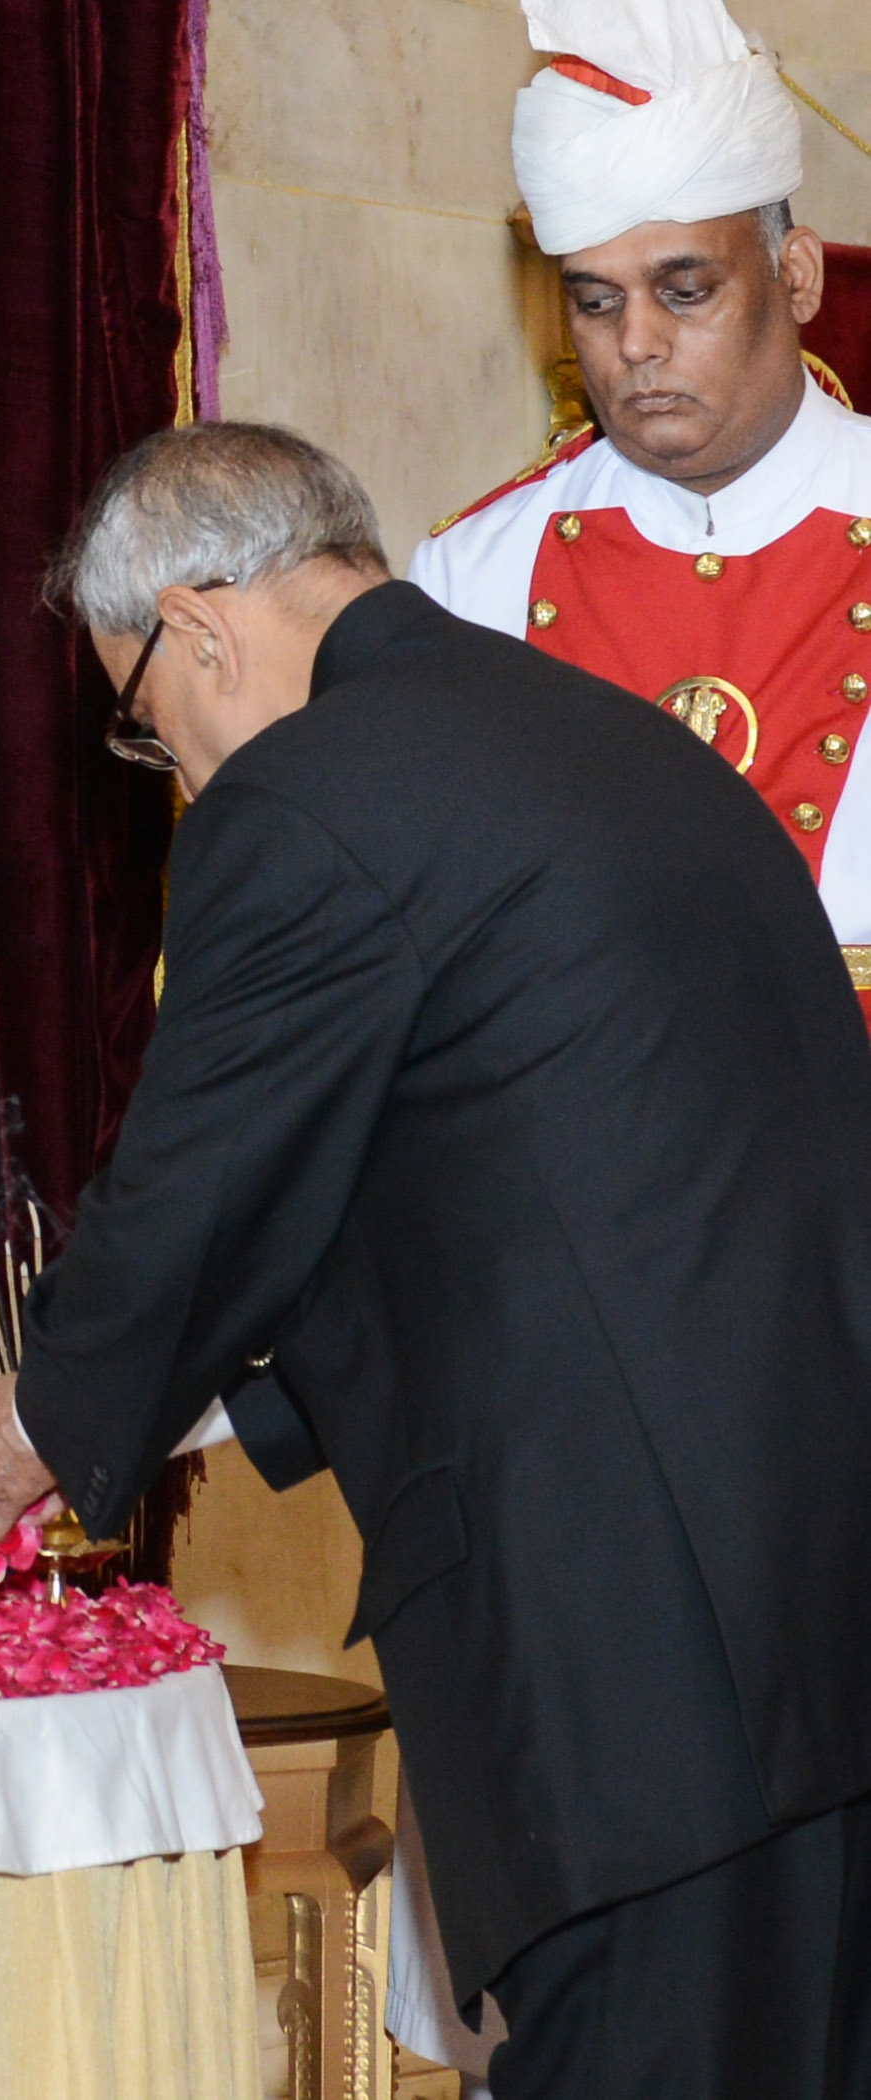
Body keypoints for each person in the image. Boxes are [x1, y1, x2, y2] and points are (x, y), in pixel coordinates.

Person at [0, 419, 871, 2099]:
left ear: (197, 623)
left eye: (148, 727)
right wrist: (231, 1416)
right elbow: (533, 1203)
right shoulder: (609, 745)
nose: (183, 775)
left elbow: (205, 1182)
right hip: (810, 1636)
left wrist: (47, 1416)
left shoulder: (312, 793)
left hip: (638, 1673)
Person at [394, 0, 871, 2077]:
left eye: (685, 288)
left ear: (797, 265)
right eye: (595, 302)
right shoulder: (467, 587)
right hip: (597, 1415)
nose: (640, 348)